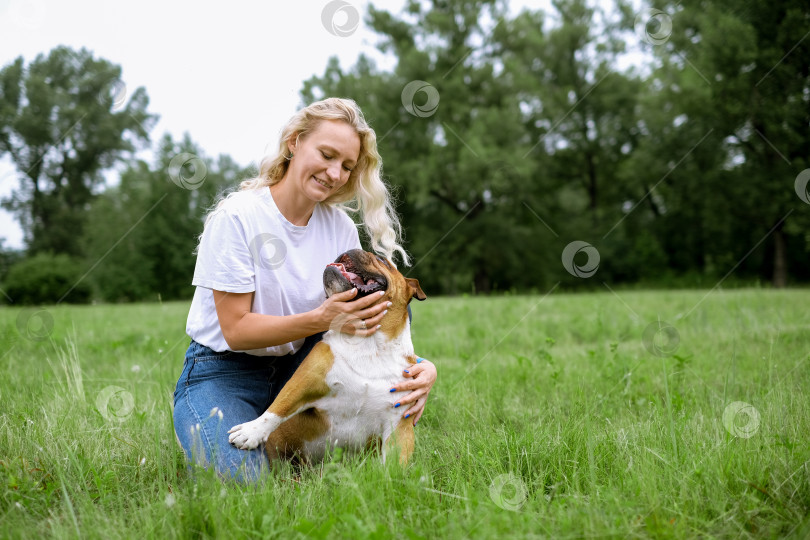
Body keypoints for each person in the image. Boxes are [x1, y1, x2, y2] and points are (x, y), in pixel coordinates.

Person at [172, 97, 437, 481]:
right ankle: (203, 423)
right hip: (222, 370)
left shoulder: (339, 228)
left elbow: (380, 314)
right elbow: (236, 330)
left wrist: (421, 370)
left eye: (347, 166)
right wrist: (321, 317)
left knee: (387, 293)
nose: (334, 173)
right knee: (245, 485)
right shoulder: (237, 217)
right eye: (326, 155)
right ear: (294, 142)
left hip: (302, 363)